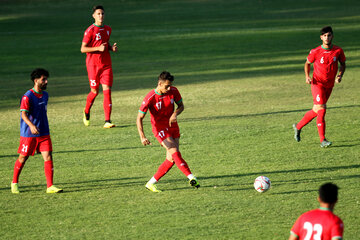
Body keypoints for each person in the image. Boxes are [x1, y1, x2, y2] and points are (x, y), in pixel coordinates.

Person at [136, 71, 200, 192]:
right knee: (175, 152)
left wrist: (175, 113)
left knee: (171, 159)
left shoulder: (173, 91)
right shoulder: (150, 97)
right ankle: (191, 177)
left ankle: (150, 183)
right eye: (166, 86)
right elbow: (139, 118)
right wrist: (142, 137)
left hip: (173, 125)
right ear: (160, 83)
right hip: (159, 128)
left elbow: (181, 106)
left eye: (170, 85)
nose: (169, 88)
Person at [11, 68, 63, 194]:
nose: (46, 82)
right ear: (36, 81)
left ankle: (50, 186)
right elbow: (23, 114)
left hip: (44, 132)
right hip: (29, 134)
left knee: (48, 156)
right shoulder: (27, 96)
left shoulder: (45, 95)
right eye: (43, 79)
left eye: (46, 79)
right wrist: (31, 125)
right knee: (23, 158)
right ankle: (14, 183)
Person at [293, 26, 346, 147]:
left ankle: (298, 126)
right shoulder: (315, 51)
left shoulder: (338, 51)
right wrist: (307, 76)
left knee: (316, 110)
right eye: (325, 36)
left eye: (329, 35)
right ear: (321, 37)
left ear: (332, 36)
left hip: (329, 85)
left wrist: (340, 75)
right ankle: (323, 140)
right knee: (322, 109)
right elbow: (307, 63)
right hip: (317, 84)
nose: (327, 38)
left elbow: (343, 64)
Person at [81, 5, 118, 128]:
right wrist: (98, 48)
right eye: (98, 14)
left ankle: (107, 121)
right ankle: (86, 111)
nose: (101, 16)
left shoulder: (108, 29)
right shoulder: (90, 30)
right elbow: (83, 49)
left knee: (107, 91)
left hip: (106, 65)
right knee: (94, 91)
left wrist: (111, 48)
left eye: (102, 13)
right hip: (93, 66)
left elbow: (105, 44)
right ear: (93, 16)